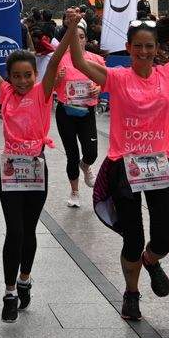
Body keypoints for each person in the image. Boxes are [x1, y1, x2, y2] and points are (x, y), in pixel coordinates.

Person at [63, 1, 169, 324]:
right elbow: (78, 61)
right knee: (133, 238)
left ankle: (152, 261)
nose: (143, 52)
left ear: (157, 49)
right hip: (125, 168)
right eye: (137, 46)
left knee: (162, 240)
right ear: (128, 48)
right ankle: (131, 293)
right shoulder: (116, 77)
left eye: (149, 47)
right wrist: (72, 29)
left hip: (161, 166)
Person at [0, 19, 61, 322]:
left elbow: (56, 60)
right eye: (16, 76)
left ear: (36, 75)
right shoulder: (5, 91)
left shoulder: (42, 93)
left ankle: (25, 279)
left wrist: (71, 28)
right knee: (14, 230)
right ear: (9, 77)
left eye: (27, 75)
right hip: (9, 171)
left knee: (30, 230)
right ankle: (9, 293)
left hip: (36, 169)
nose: (21, 81)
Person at [51, 28, 102, 208]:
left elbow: (104, 81)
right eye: (73, 37)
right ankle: (75, 191)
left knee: (92, 152)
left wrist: (99, 88)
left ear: (85, 39)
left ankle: (86, 165)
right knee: (71, 155)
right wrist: (58, 78)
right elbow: (50, 87)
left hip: (87, 111)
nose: (77, 40)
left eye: (81, 37)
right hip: (66, 112)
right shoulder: (59, 59)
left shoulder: (96, 59)